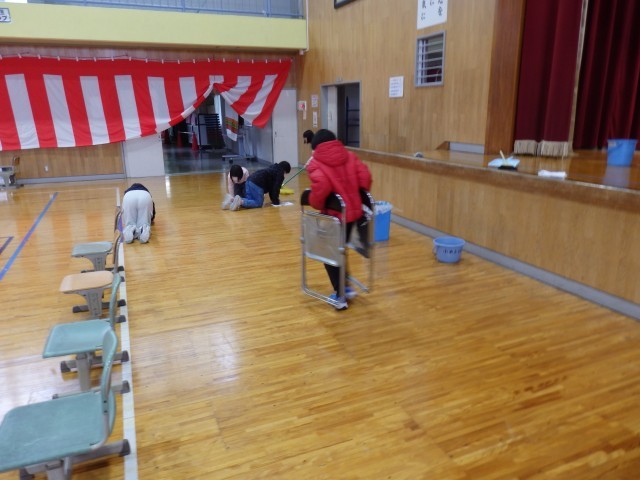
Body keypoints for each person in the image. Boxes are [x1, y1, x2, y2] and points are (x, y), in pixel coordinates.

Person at [307, 129, 372, 310]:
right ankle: (346, 288)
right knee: (340, 250)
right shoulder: (349, 155)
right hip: (353, 215)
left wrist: (313, 201)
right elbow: (365, 177)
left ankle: (340, 295)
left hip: (334, 218)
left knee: (329, 254)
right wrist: (357, 196)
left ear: (316, 147)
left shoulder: (316, 162)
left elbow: (321, 186)